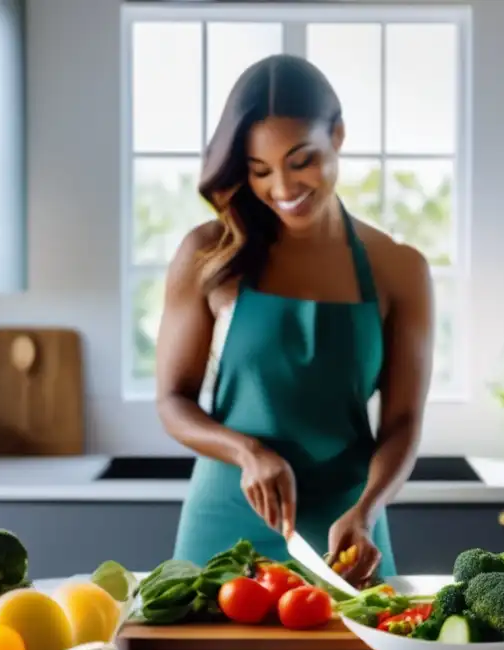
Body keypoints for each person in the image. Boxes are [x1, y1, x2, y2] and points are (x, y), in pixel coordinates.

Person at [155, 54, 434, 587]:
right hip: (226, 521)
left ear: (338, 136)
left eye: (301, 159)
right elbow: (172, 400)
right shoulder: (210, 253)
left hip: (348, 531)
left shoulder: (400, 269)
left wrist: (367, 510)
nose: (281, 186)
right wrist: (247, 452)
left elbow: (402, 424)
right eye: (259, 170)